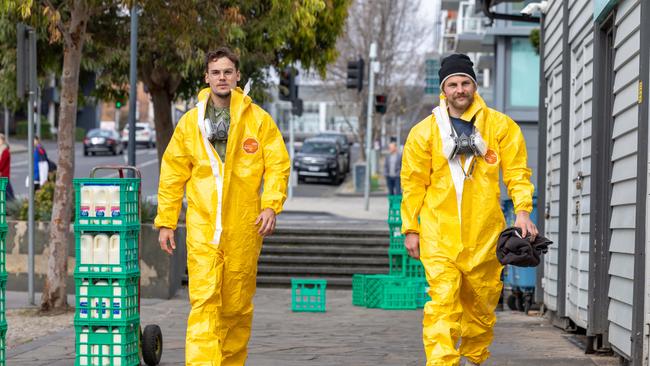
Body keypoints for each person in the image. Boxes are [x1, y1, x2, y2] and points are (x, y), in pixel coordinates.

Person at [155, 47, 290, 365]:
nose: (222, 78)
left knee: (236, 309)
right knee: (204, 303)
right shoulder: (191, 124)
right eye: (216, 72)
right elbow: (173, 173)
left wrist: (271, 206)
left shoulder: (259, 121)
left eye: (228, 71)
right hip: (203, 231)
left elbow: (278, 166)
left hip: (243, 229)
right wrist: (166, 221)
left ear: (238, 76)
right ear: (206, 77)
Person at [400, 53, 537, 366]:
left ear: (474, 86)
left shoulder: (501, 127)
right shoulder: (425, 132)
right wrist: (411, 229)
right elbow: (413, 184)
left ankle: (474, 359)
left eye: (465, 83)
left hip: (484, 237)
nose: (459, 89)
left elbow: (517, 172)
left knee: (481, 307)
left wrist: (523, 211)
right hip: (439, 236)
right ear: (443, 89)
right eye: (453, 84)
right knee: (442, 304)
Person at [0, 134, 14, 201]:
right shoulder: (1, 150)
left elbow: (1, 164)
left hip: (3, 176)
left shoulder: (5, 151)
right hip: (3, 176)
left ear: (3, 140)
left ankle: (6, 210)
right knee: (5, 195)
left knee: (6, 196)